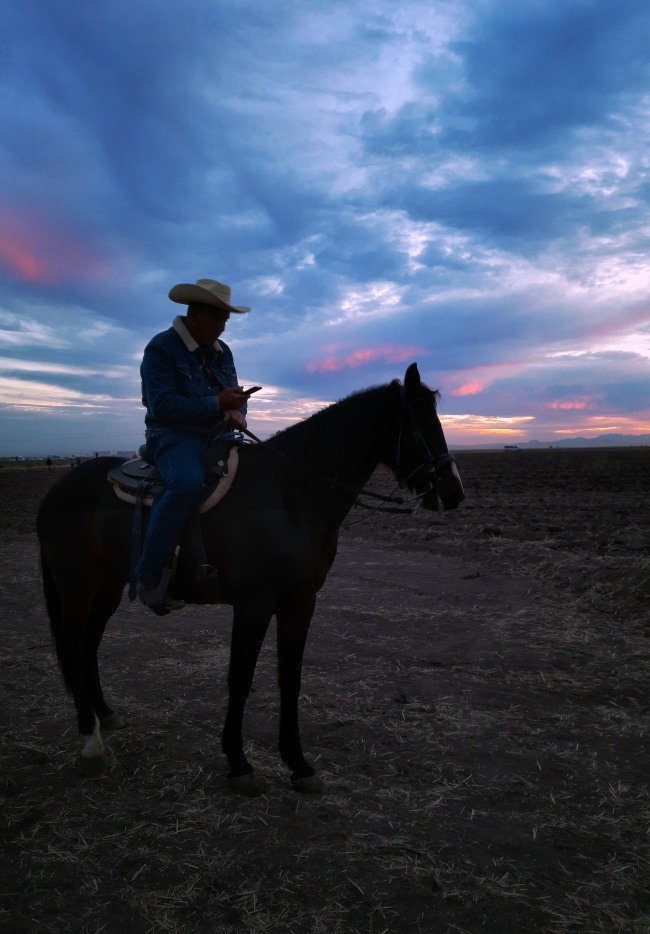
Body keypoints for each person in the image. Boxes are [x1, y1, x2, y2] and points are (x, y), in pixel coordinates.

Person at [135, 278, 251, 614]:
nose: (221, 326)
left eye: (225, 319)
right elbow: (162, 406)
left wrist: (237, 411)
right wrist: (217, 403)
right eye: (216, 318)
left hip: (216, 434)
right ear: (193, 313)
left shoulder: (222, 351)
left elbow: (234, 394)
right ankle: (149, 577)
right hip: (171, 435)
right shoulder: (161, 349)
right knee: (186, 484)